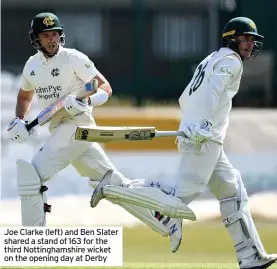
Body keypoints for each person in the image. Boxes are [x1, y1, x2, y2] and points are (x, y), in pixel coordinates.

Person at [91, 17, 277, 269]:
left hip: (201, 135)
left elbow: (184, 97)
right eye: (245, 39)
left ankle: (249, 255)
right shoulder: (231, 61)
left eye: (251, 41)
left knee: (232, 190)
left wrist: (191, 124)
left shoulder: (210, 59)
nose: (249, 45)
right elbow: (214, 88)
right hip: (205, 138)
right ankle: (116, 184)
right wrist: (202, 126)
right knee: (178, 201)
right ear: (232, 39)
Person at [7, 12, 195, 253]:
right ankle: (167, 219)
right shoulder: (31, 66)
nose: (52, 40)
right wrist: (19, 119)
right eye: (46, 36)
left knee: (32, 175)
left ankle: (34, 248)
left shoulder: (73, 58)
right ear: (36, 39)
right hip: (61, 129)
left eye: (55, 34)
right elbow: (25, 95)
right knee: (113, 186)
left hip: (78, 125)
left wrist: (87, 102)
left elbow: (104, 86)